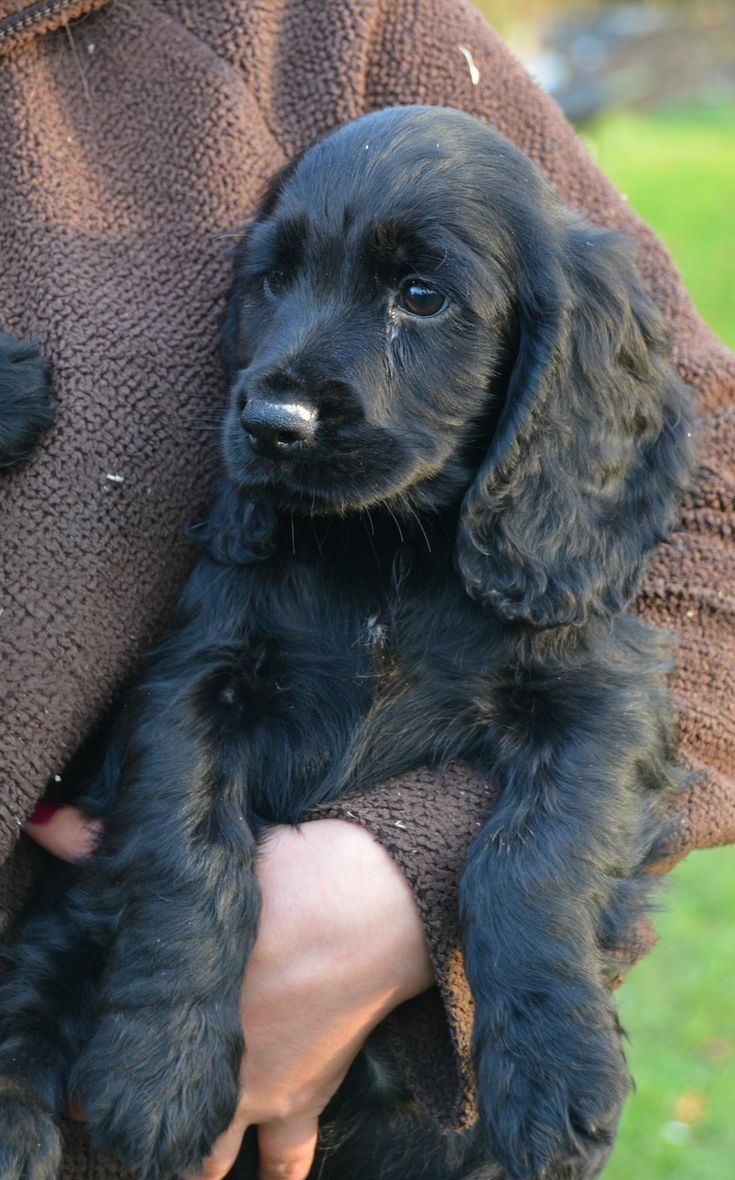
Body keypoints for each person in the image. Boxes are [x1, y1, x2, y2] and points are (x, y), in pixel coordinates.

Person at [2, 1, 734, 1178]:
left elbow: (707, 525)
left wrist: (415, 881)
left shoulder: (322, 25)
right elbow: (197, 705)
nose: (283, 387)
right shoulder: (260, 572)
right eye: (275, 284)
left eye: (419, 298)